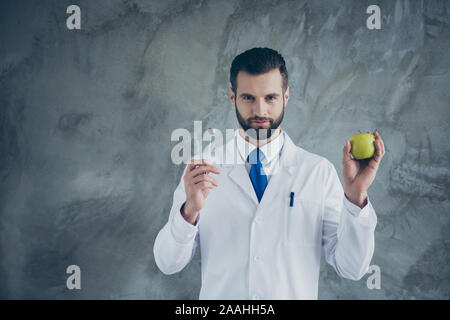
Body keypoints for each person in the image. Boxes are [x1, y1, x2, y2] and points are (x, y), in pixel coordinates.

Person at [153, 47, 385, 300]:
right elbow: (167, 263)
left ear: (286, 96)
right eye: (248, 98)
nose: (260, 111)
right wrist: (189, 212)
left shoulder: (316, 172)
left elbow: (352, 268)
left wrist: (356, 197)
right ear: (233, 97)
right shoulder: (202, 169)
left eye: (271, 98)